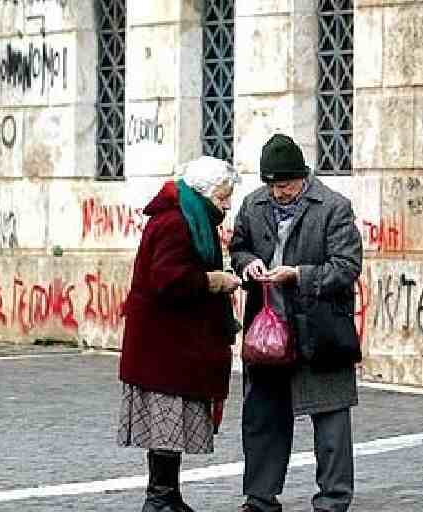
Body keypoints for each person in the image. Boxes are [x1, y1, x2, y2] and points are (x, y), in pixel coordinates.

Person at [229, 134, 363, 512]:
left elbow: (347, 266)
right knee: (262, 417)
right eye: (272, 185)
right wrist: (247, 263)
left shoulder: (334, 207)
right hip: (267, 329)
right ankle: (260, 498)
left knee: (331, 419)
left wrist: (299, 275)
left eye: (285, 185)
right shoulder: (253, 205)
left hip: (321, 329)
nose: (279, 192)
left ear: (302, 177)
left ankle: (332, 500)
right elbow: (238, 247)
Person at [117, 156, 243, 512]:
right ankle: (159, 499)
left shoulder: (188, 217)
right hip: (165, 346)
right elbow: (167, 279)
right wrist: (214, 281)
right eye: (222, 197)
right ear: (202, 193)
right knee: (166, 423)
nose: (226, 204)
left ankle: (167, 496)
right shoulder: (176, 222)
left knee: (169, 425)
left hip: (170, 345)